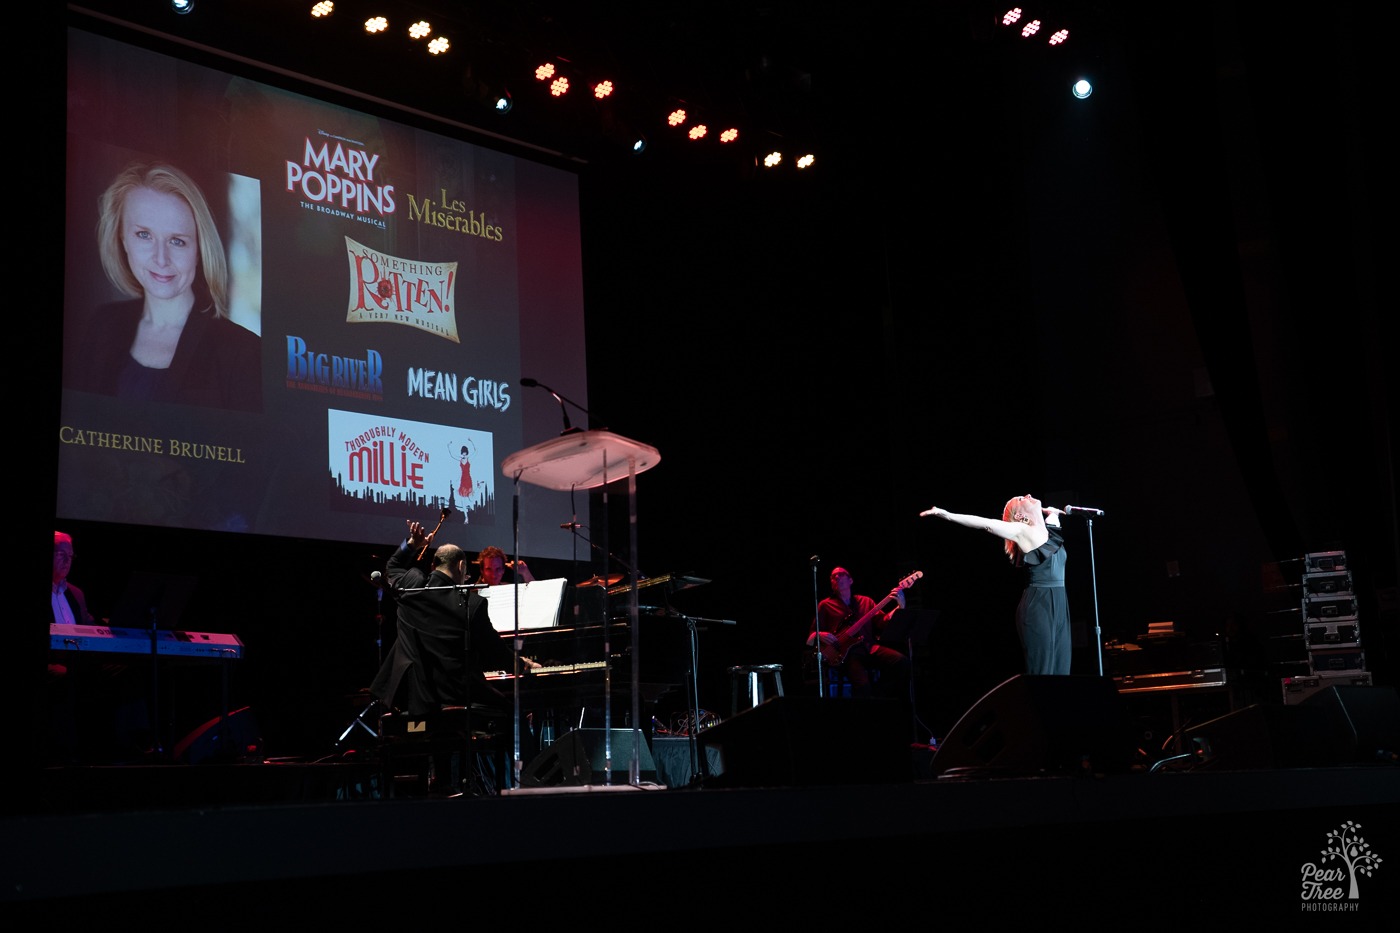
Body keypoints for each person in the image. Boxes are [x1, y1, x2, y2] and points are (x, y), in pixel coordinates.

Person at [71, 161, 261, 412]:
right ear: (122, 238)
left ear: (198, 251)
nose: (161, 259)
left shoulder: (243, 352)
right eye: (144, 235)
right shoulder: (102, 326)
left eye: (177, 241)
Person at [370, 522, 540, 719]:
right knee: (517, 715)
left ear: (434, 565)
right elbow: (496, 652)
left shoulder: (410, 586)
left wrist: (411, 545)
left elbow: (392, 566)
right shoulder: (471, 604)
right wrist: (522, 664)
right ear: (461, 566)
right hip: (459, 695)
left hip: (413, 697)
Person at [921, 495, 1070, 675]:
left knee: (1062, 670)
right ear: (1020, 516)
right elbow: (986, 523)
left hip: (1060, 604)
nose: (1028, 496)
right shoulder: (1021, 530)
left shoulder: (1051, 530)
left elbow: (1052, 519)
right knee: (1043, 672)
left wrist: (1052, 514)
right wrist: (947, 515)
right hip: (1038, 604)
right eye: (1022, 499)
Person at [809, 566, 911, 700]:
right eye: (833, 577)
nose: (837, 577)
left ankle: (879, 696)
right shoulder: (825, 605)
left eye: (841, 574)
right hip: (846, 654)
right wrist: (819, 634)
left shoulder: (866, 601)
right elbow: (810, 638)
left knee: (901, 662)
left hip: (870, 648)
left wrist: (899, 607)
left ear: (850, 580)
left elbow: (882, 622)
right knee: (863, 686)